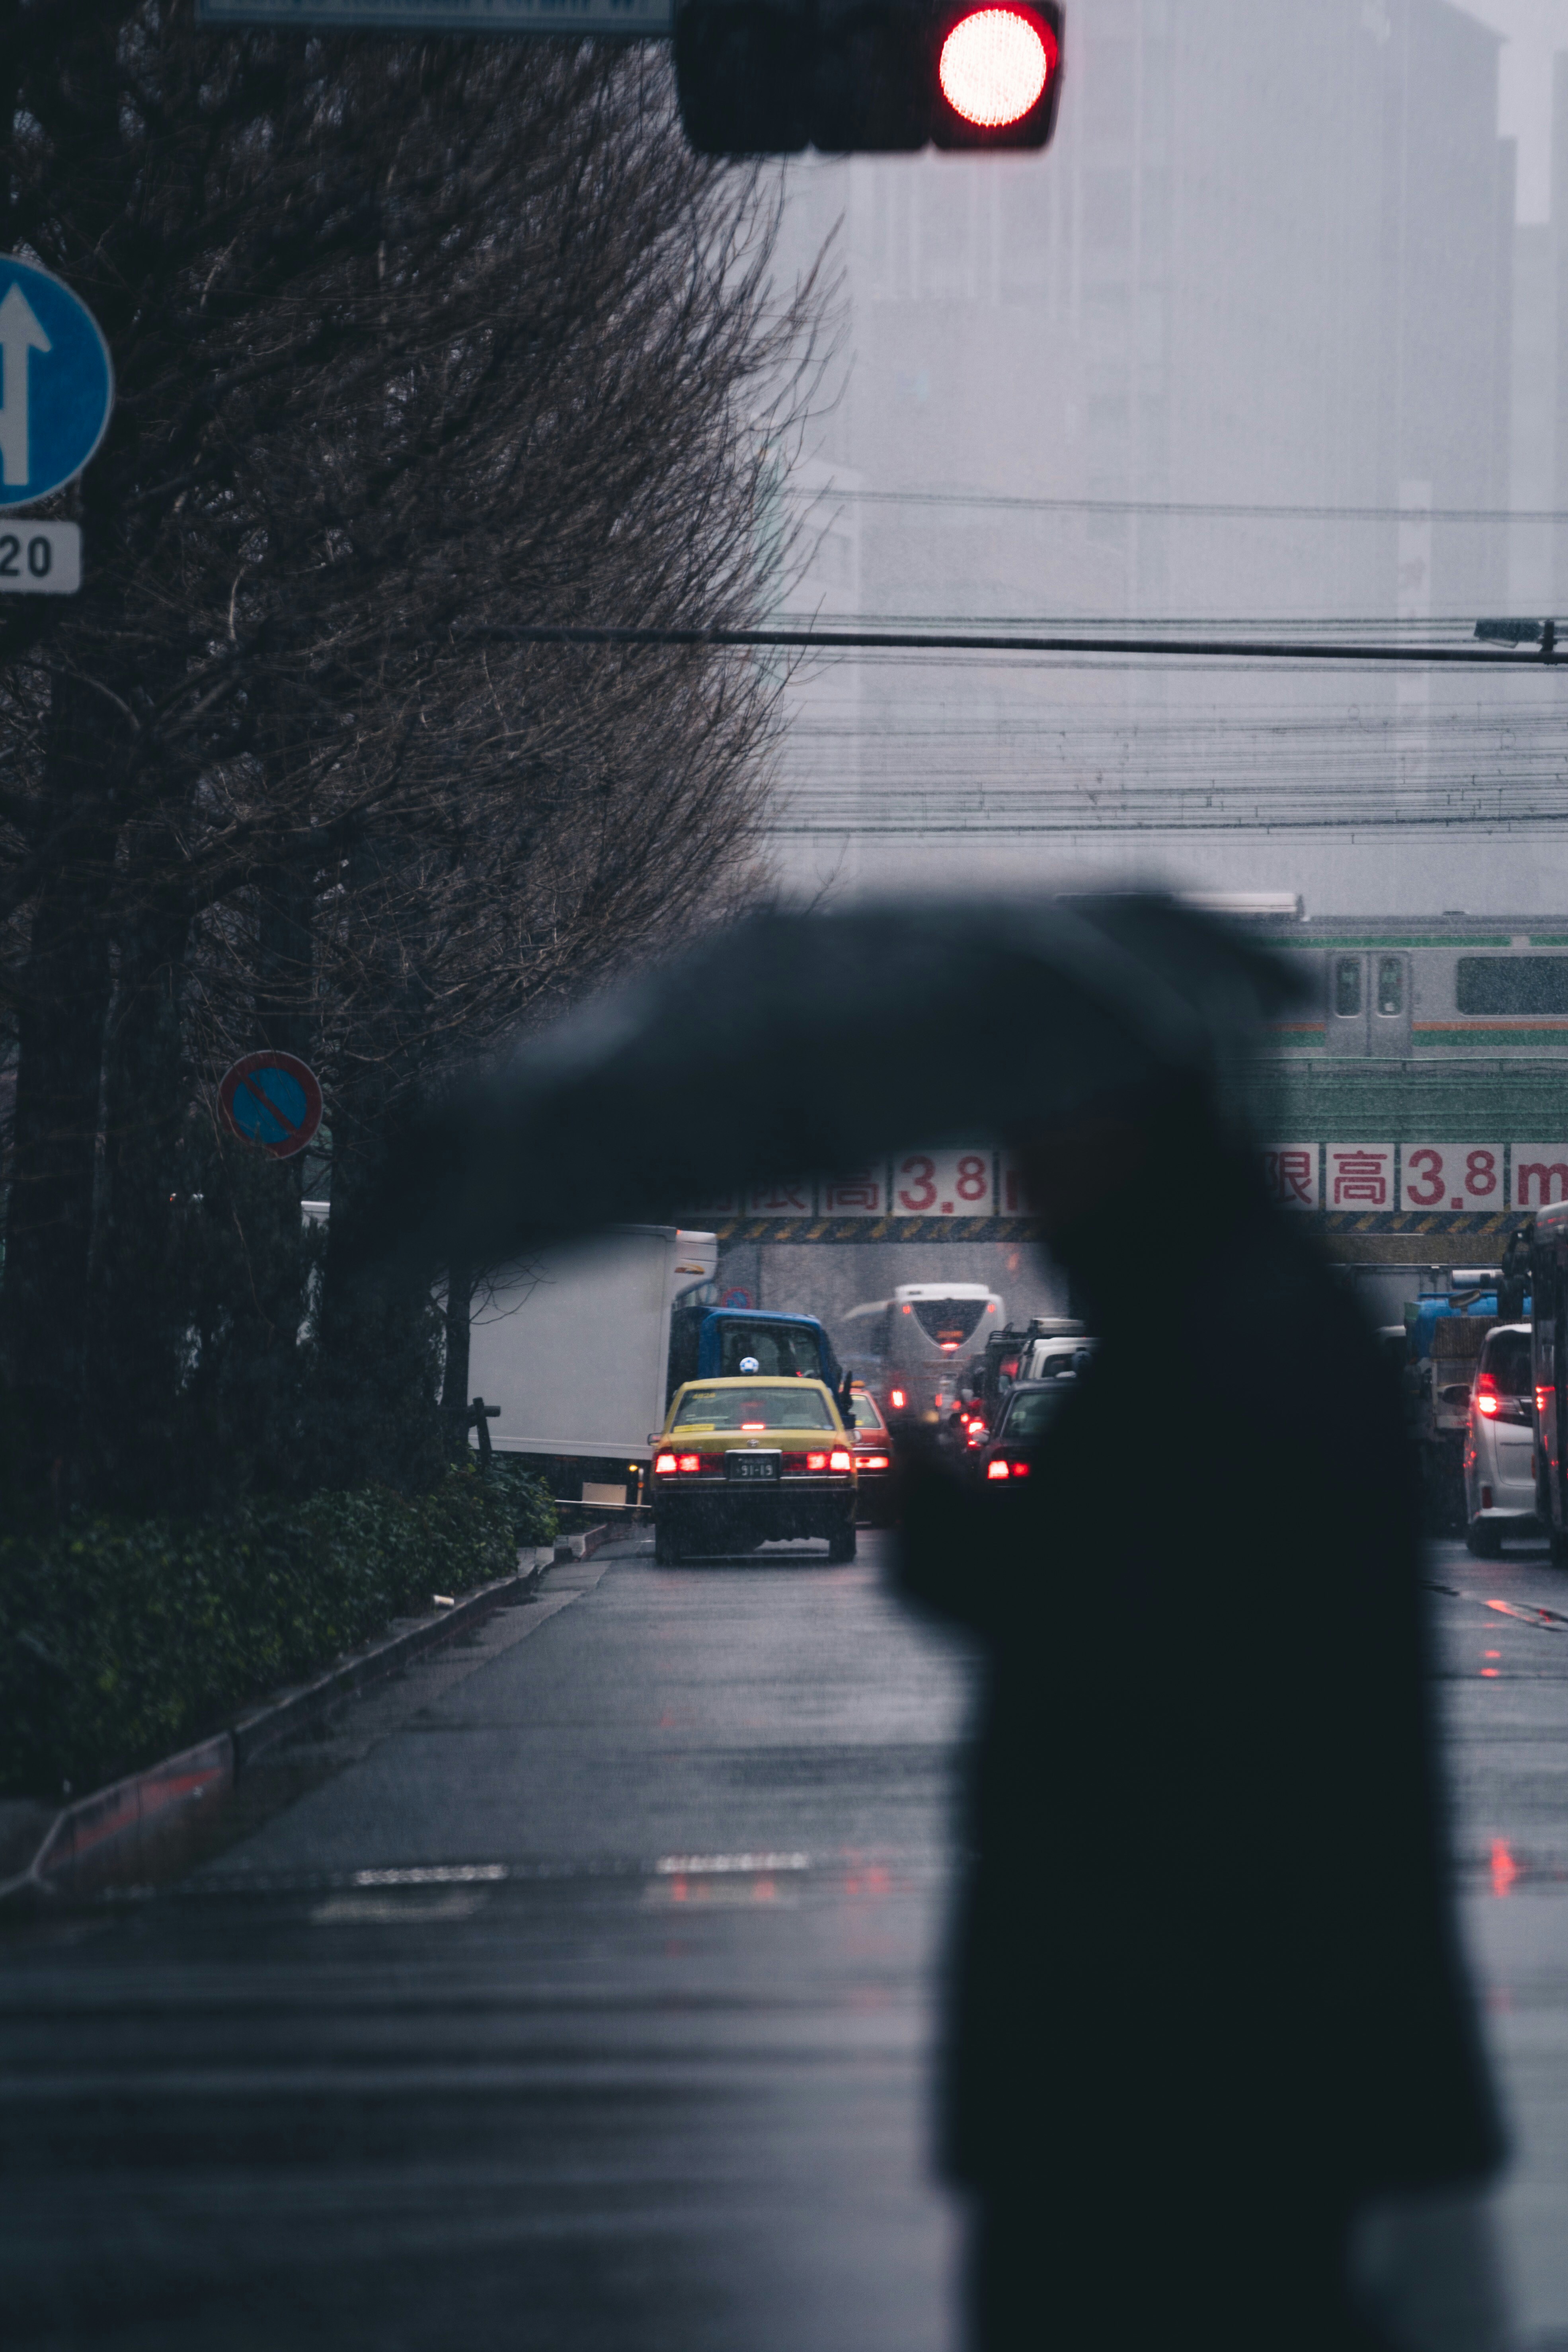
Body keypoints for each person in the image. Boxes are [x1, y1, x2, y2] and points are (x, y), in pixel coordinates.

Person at [895, 1081, 1508, 2352]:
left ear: (1126, 1145)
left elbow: (1140, 1639)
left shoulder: (1213, 1349)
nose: (1025, 1187)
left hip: (1178, 2033)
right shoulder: (1240, 1321)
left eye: (1044, 1150)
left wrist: (953, 1544)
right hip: (1233, 2010)